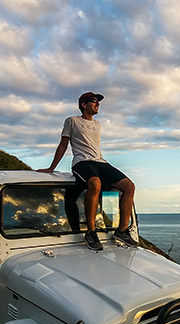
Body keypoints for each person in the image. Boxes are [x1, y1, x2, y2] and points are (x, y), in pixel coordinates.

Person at [37, 92, 138, 251]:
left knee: (129, 186)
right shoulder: (72, 121)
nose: (97, 104)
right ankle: (91, 232)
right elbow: (63, 145)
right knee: (95, 184)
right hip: (81, 162)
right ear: (83, 104)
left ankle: (122, 231)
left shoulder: (98, 124)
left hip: (100, 162)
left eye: (98, 102)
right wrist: (51, 168)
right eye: (93, 101)